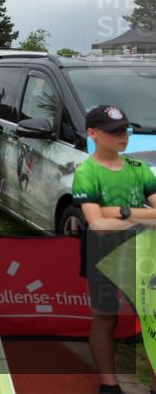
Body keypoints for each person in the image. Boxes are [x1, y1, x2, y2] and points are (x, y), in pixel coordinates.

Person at [72, 104, 156, 394]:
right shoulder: (86, 172)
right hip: (103, 252)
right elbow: (98, 225)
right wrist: (144, 218)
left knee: (149, 321)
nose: (123, 136)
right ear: (92, 134)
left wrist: (119, 211)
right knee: (105, 316)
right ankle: (109, 385)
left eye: (124, 129)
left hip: (143, 254)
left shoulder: (139, 168)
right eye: (114, 131)